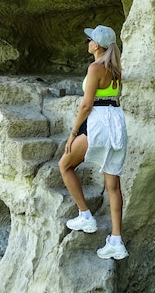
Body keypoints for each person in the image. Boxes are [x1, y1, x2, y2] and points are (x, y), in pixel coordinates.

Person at [58, 24, 129, 260]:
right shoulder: (115, 69)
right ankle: (116, 241)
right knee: (113, 185)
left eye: (89, 39)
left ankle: (85, 215)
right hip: (116, 125)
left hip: (98, 124)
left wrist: (73, 132)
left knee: (65, 165)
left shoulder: (95, 68)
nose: (87, 42)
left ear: (96, 45)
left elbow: (87, 105)